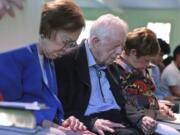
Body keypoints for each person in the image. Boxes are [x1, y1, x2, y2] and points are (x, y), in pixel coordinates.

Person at [0, 0, 95, 134]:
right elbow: (9, 107)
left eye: (72, 44)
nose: (67, 50)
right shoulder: (16, 50)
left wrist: (65, 123)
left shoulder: (47, 59)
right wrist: (56, 128)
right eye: (66, 41)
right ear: (47, 28)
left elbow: (46, 104)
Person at [55, 14, 142, 135]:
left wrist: (140, 118)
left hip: (119, 122)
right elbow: (60, 108)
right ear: (96, 41)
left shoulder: (112, 66)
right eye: (115, 46)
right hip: (90, 124)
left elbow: (123, 103)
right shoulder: (64, 61)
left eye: (121, 46)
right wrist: (90, 123)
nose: (119, 52)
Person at [113, 27, 179, 135]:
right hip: (132, 124)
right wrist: (156, 113)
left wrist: (158, 105)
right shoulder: (117, 71)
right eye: (146, 60)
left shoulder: (138, 67)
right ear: (133, 52)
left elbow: (146, 96)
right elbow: (128, 108)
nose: (148, 64)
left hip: (148, 118)